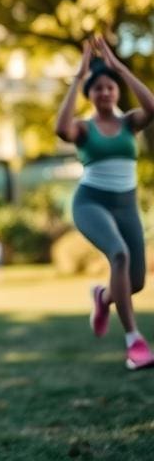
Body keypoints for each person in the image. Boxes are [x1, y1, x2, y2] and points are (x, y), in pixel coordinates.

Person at [55, 36, 154, 370]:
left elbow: (152, 107)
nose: (105, 92)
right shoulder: (84, 128)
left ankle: (103, 297)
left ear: (116, 91)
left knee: (135, 281)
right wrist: (79, 75)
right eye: (97, 89)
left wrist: (119, 67)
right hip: (90, 203)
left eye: (110, 87)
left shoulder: (129, 122)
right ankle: (134, 342)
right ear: (90, 94)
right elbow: (60, 128)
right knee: (119, 254)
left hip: (126, 206)